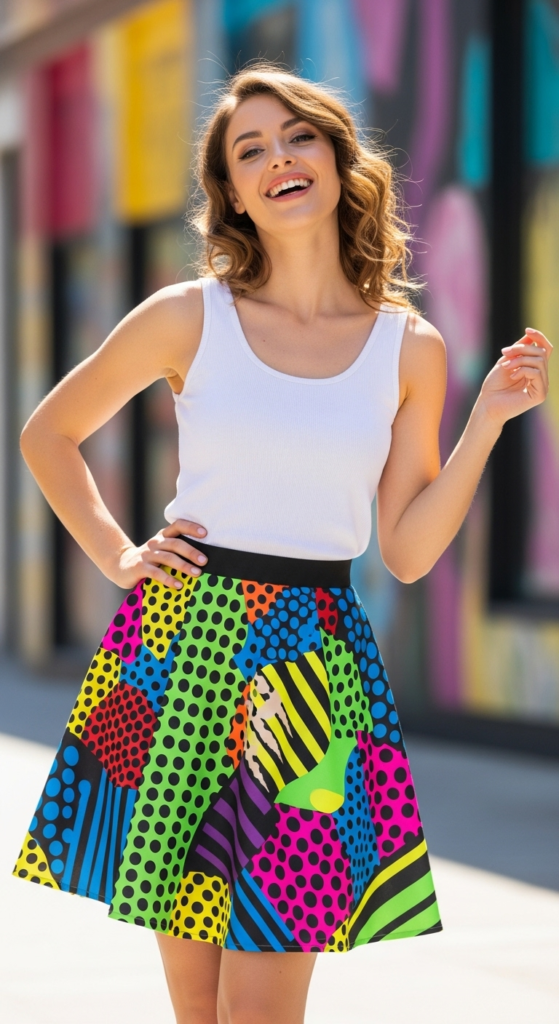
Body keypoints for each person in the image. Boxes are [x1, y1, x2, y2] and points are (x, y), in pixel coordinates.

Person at [14, 65, 551, 1024]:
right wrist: (117, 556)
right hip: (181, 650)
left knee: (263, 1003)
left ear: (339, 162)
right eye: (249, 150)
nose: (278, 160)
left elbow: (407, 551)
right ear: (231, 192)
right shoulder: (187, 315)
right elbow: (48, 434)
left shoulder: (409, 347)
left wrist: (485, 424)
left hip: (310, 665)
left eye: (297, 137)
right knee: (199, 1006)